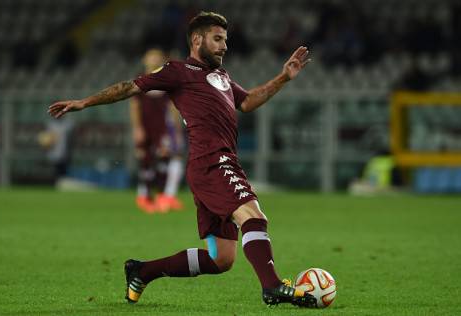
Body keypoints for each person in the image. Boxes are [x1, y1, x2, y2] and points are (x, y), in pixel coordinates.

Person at [48, 11, 314, 308]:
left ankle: (142, 271)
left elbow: (248, 101)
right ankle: (273, 286)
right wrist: (84, 102)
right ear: (197, 40)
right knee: (254, 217)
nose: (224, 46)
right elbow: (129, 87)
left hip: (216, 164)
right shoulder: (178, 71)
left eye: (225, 40)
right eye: (217, 39)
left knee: (221, 258)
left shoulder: (221, 76)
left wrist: (283, 78)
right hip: (212, 161)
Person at [130, 49, 185, 213]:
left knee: (165, 159)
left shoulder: (167, 81)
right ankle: (144, 196)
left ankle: (163, 196)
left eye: (157, 57)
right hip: (146, 127)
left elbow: (173, 106)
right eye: (151, 56)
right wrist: (137, 127)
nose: (154, 59)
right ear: (144, 59)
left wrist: (176, 128)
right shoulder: (140, 80)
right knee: (146, 160)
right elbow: (134, 105)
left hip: (163, 128)